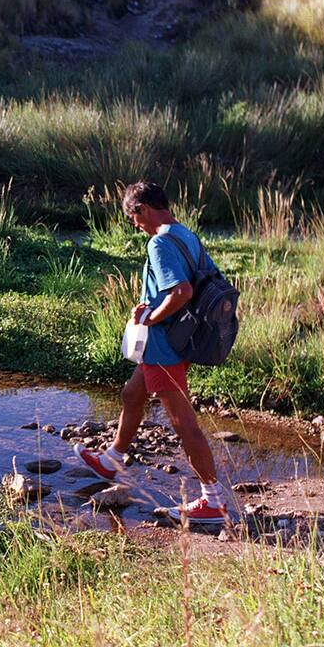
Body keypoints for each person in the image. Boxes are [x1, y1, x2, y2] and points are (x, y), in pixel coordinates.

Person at [74, 181, 230, 524]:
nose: (134, 224)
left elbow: (183, 291)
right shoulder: (185, 234)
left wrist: (150, 315)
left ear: (142, 208)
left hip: (164, 348)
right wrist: (155, 306)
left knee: (183, 423)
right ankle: (112, 458)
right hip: (177, 340)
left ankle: (213, 501)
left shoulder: (159, 242)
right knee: (132, 393)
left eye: (133, 217)